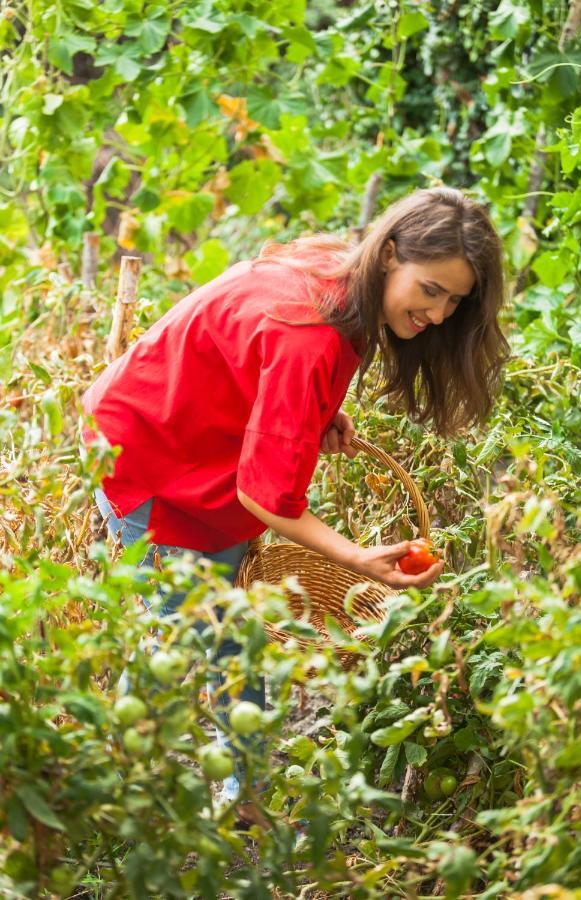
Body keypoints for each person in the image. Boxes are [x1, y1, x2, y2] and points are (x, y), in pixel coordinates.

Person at [81, 186, 509, 819]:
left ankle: (242, 792)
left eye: (454, 300)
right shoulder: (309, 336)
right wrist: (357, 557)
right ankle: (102, 787)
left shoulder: (341, 277)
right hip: (149, 454)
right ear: (390, 255)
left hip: (198, 441)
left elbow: (250, 356)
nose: (441, 315)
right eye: (431, 291)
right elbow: (266, 494)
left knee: (230, 628)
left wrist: (315, 416)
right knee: (177, 632)